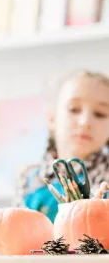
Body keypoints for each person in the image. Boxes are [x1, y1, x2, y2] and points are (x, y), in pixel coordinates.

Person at [16, 70, 109, 221]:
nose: (85, 122)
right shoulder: (28, 177)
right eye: (74, 109)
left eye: (100, 114)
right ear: (52, 119)